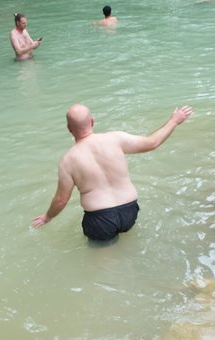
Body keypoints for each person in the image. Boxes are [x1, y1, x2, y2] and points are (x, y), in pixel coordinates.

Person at [32, 103, 193, 241]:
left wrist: (47, 217)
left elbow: (61, 200)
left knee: (103, 261)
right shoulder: (115, 139)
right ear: (92, 122)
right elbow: (152, 143)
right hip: (130, 211)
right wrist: (174, 121)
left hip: (99, 219)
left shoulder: (68, 161)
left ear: (69, 128)